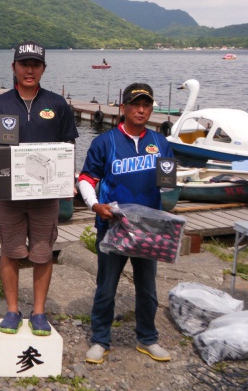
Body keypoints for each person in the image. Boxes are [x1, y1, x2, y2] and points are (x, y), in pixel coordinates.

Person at [0, 41, 79, 335]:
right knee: (10, 251)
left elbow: (69, 144)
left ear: (44, 69)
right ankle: (11, 310)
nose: (30, 70)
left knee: (43, 252)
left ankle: (38, 312)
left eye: (36, 64)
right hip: (9, 192)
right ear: (13, 68)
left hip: (46, 194)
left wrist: (64, 179)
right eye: (24, 64)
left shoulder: (58, 105)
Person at [78, 83, 173, 364]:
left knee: (147, 288)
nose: (141, 110)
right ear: (123, 109)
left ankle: (147, 338)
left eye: (146, 105)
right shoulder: (104, 142)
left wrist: (169, 207)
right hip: (113, 227)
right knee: (106, 287)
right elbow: (85, 179)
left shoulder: (161, 142)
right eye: (135, 104)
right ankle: (100, 339)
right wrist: (95, 205)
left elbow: (168, 187)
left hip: (149, 228)